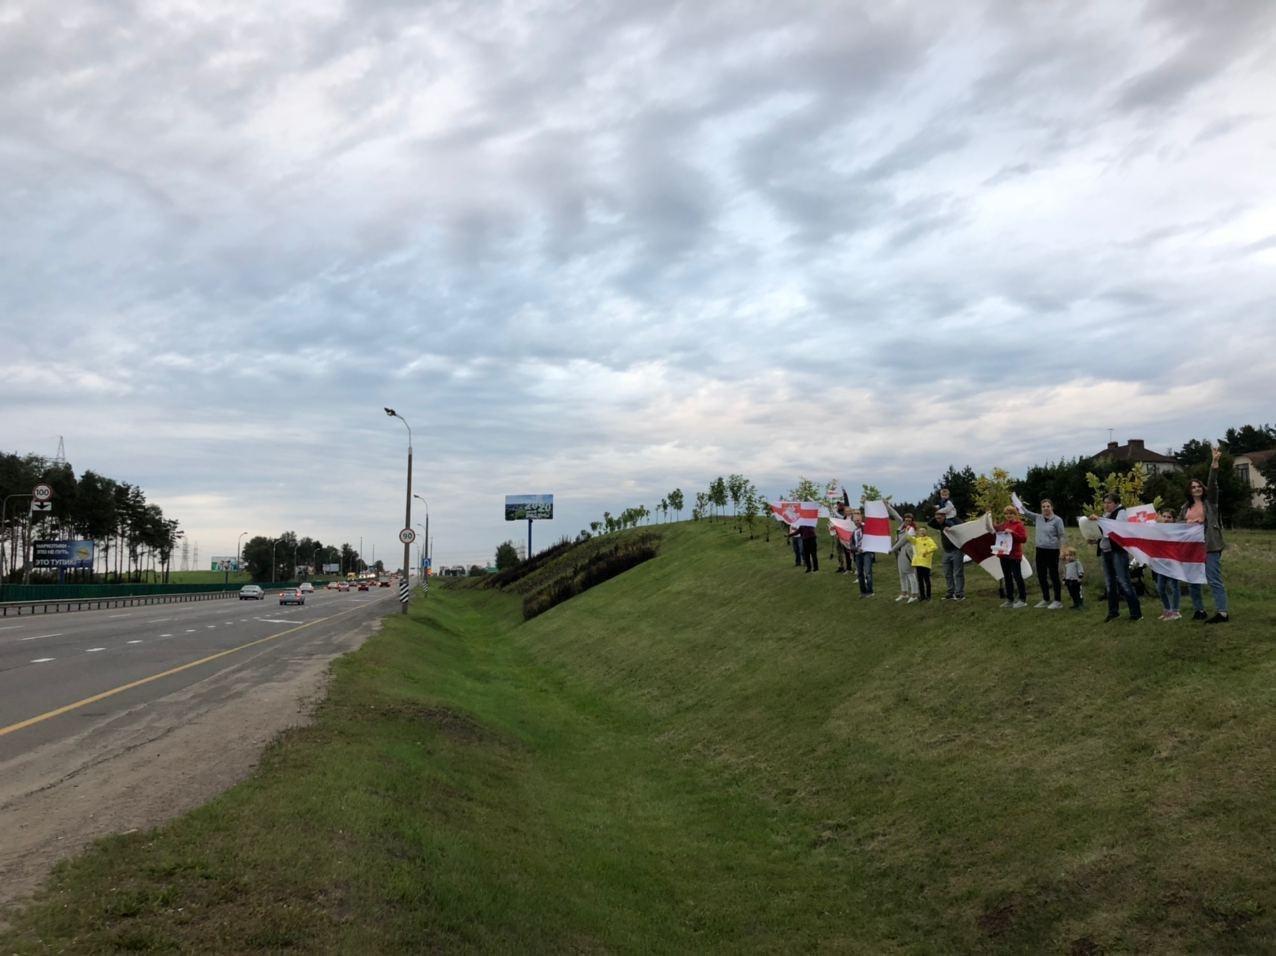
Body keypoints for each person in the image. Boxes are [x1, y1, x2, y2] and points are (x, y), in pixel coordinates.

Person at [1179, 447, 1230, 624]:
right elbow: (1177, 527)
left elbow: (1213, 484)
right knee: (1193, 580)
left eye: (1199, 486)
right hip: (1191, 548)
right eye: (1193, 487)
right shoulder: (1184, 508)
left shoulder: (1211, 502)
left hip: (1209, 546)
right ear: (1189, 490)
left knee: (1214, 579)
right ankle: (1199, 610)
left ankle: (1222, 613)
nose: (1196, 488)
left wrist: (1214, 464)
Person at [1091, 493, 1142, 622]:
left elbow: (1116, 529)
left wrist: (1100, 521)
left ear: (1116, 503)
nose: (1106, 505)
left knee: (1124, 582)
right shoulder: (1106, 515)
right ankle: (1113, 611)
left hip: (1118, 552)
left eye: (1109, 502)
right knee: (1110, 584)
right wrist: (1094, 538)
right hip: (1106, 551)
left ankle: (1136, 613)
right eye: (1105, 502)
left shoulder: (1121, 513)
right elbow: (1104, 534)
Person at [1020, 498, 1066, 609]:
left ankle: (1057, 600)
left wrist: (1063, 549)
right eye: (1043, 506)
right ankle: (1046, 599)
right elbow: (1025, 512)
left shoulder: (1057, 520)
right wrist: (1017, 503)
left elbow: (1062, 535)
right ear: (1041, 508)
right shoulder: (1038, 518)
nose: (1045, 508)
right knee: (1041, 575)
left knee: (1053, 575)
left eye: (1047, 506)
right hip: (1040, 550)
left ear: (1051, 507)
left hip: (1053, 550)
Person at [993, 505, 1028, 608]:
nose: (1008, 515)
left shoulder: (1019, 525)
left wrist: (1013, 533)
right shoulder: (1004, 525)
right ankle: (1010, 599)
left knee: (1017, 577)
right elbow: (997, 532)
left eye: (1011, 513)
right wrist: (993, 526)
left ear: (1015, 514)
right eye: (1006, 514)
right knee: (1007, 577)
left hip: (1014, 555)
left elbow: (1024, 539)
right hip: (1004, 554)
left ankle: (1022, 599)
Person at [928, 507, 965, 599]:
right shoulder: (940, 525)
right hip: (946, 552)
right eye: (936, 518)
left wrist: (950, 516)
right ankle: (950, 592)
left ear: (945, 516)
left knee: (958, 573)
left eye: (940, 518)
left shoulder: (953, 522)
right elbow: (930, 523)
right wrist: (938, 512)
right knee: (947, 573)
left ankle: (959, 593)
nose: (938, 520)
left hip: (957, 550)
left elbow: (962, 525)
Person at [1154, 509, 1182, 621]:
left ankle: (1176, 611)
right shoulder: (1159, 530)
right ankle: (1167, 610)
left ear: (1174, 519)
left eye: (1169, 517)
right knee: (1160, 587)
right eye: (1164, 516)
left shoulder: (1176, 531)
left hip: (1173, 562)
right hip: (1162, 563)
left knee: (1174, 586)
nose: (1166, 519)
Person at [886, 502, 917, 602]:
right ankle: (904, 593)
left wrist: (892, 549)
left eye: (909, 520)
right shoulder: (902, 525)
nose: (907, 521)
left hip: (907, 552)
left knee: (910, 573)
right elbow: (895, 515)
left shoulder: (911, 529)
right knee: (902, 574)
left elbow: (903, 540)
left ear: (912, 521)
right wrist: (887, 505)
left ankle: (914, 594)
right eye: (906, 520)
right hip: (900, 553)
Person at [850, 510, 874, 596]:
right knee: (860, 573)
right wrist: (856, 549)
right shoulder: (854, 532)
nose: (856, 522)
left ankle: (870, 591)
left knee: (868, 572)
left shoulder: (866, 528)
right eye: (855, 520)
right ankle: (863, 592)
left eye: (858, 520)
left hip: (866, 553)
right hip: (858, 554)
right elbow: (851, 545)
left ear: (861, 519)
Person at [911, 528, 937, 601]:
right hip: (918, 563)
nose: (922, 532)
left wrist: (926, 551)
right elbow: (909, 538)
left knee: (926, 580)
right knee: (920, 580)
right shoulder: (917, 540)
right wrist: (907, 531)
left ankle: (928, 596)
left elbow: (934, 547)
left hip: (926, 563)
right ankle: (922, 596)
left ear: (926, 532)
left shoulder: (929, 540)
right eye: (920, 531)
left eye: (923, 530)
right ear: (918, 532)